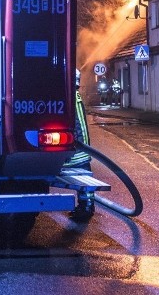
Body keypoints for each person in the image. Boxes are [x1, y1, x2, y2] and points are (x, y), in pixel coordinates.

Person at [65, 68, 95, 221]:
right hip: (79, 150)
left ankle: (87, 207)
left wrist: (80, 146)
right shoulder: (70, 95)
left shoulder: (73, 96)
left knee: (83, 176)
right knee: (82, 176)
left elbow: (80, 125)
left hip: (80, 152)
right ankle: (85, 206)